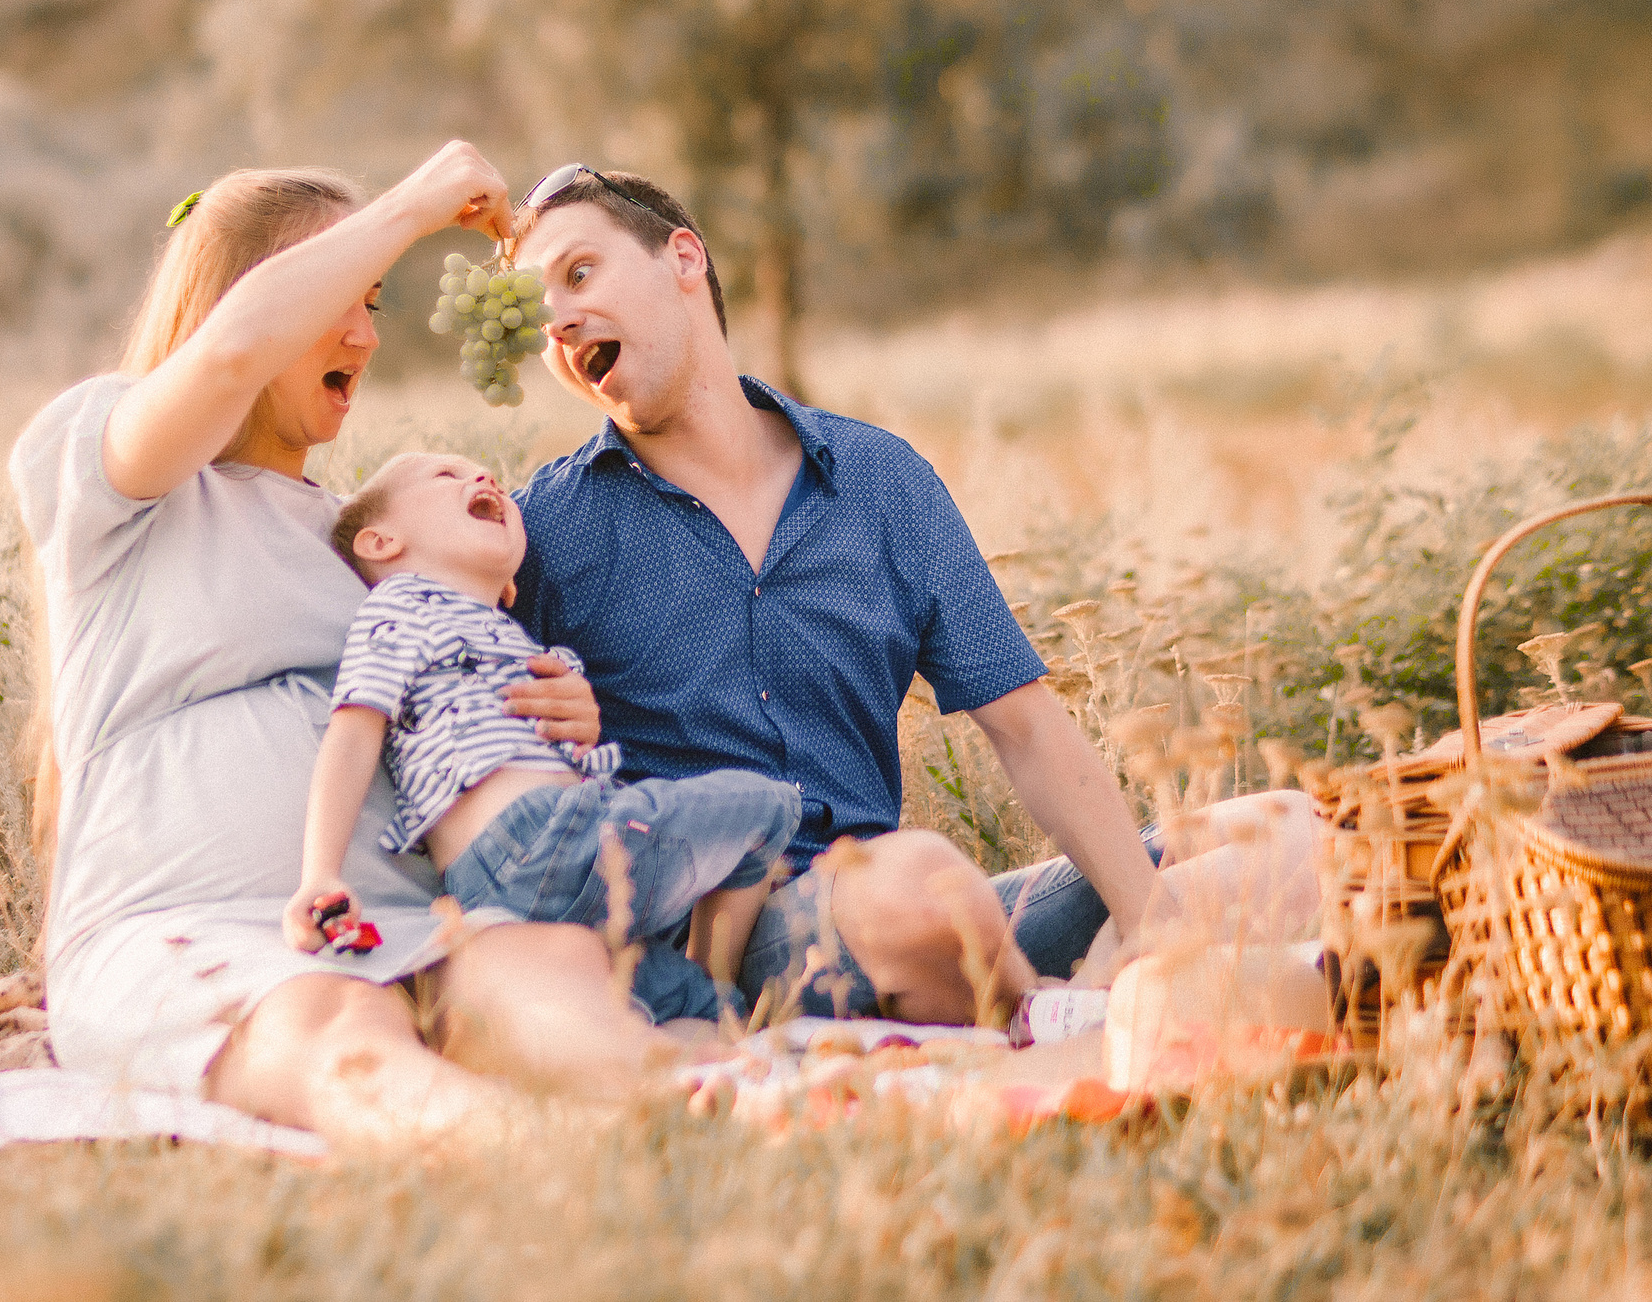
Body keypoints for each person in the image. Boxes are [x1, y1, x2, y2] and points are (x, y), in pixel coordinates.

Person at [508, 166, 1304, 1026]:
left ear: (685, 260)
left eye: (579, 272)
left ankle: (1113, 992)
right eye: (534, 313)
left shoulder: (880, 482)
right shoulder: (542, 532)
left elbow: (1029, 728)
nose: (557, 319)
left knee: (1290, 832)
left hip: (931, 918)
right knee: (914, 882)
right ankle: (1073, 1020)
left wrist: (1149, 918)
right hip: (738, 947)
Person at [11, 145, 663, 1146]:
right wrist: (411, 205)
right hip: (188, 930)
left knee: (541, 980)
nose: (364, 334)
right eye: (338, 298)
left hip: (398, 921)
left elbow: (434, 703)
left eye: (374, 303)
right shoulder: (107, 474)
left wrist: (547, 714)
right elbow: (229, 357)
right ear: (243, 303)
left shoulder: (363, 534)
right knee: (335, 1026)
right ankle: (539, 1164)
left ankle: (718, 1123)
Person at [280, 449, 801, 1022]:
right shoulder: (404, 607)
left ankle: (715, 1059)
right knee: (768, 806)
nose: (485, 478)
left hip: (512, 884)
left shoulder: (509, 638)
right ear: (381, 543)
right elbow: (352, 734)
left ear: (508, 585)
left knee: (691, 1010)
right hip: (537, 838)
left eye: (488, 475)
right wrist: (321, 874)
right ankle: (717, 972)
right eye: (446, 474)